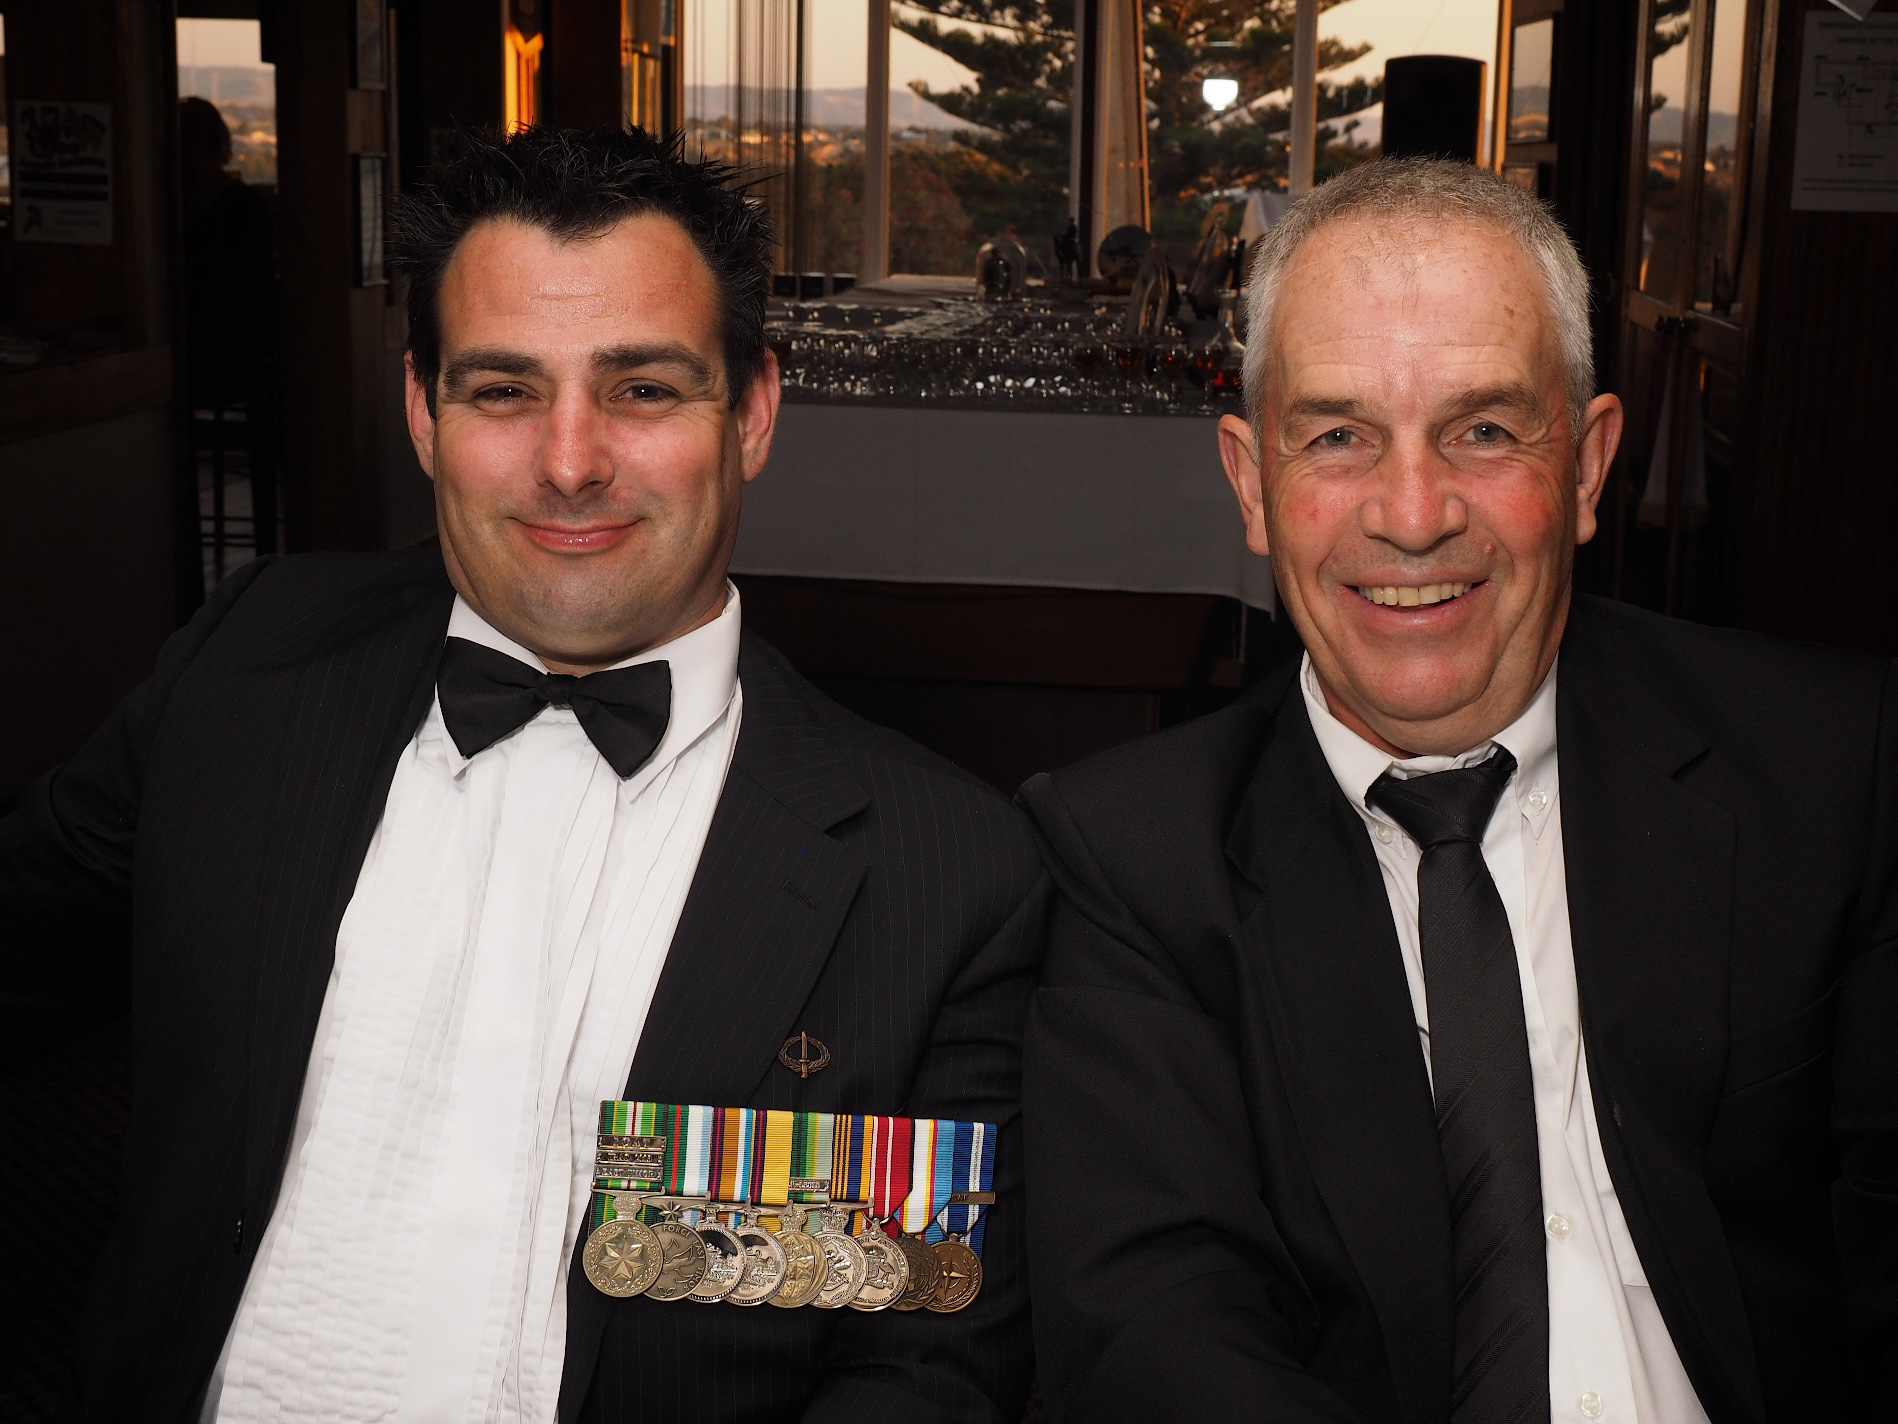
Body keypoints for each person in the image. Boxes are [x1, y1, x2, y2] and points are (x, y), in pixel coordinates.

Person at [0, 126, 1040, 1423]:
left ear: (752, 414)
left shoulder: (940, 875)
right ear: (422, 413)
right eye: (502, 390)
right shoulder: (247, 670)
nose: (568, 462)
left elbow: (921, 1358)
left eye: (642, 389)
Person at [1020, 159, 1896, 1424]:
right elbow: (1160, 1333)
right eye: (1336, 435)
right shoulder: (1131, 860)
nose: (1413, 514)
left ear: (1586, 466)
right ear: (1251, 484)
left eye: (1482, 429)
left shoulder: (1828, 767)